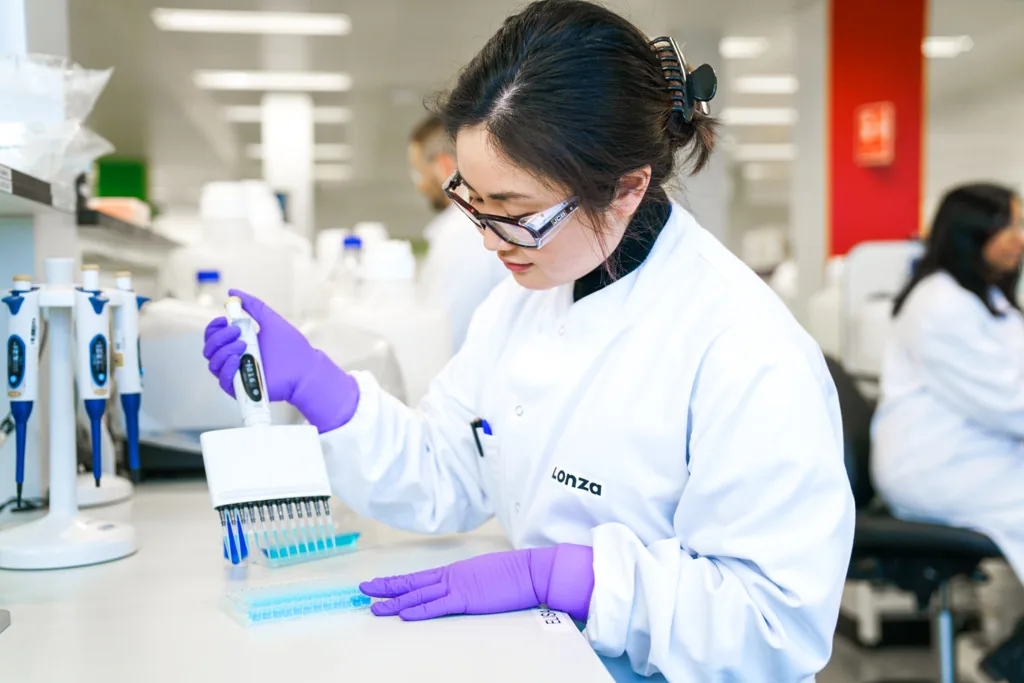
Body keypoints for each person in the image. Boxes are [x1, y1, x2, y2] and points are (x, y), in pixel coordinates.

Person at [203, 2, 854, 679]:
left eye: (514, 213)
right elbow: (445, 470)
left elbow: (774, 623)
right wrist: (318, 384)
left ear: (627, 188)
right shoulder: (524, 299)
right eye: (472, 200)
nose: (487, 238)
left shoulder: (744, 347)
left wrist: (574, 578)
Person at [871, 183, 1024, 672]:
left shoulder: (986, 298)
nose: (1019, 238)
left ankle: (1011, 653)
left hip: (980, 455)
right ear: (969, 232)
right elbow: (1010, 402)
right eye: (1007, 226)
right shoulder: (941, 305)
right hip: (940, 468)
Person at [410, 114, 508, 352]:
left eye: (419, 172)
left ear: (444, 166)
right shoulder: (459, 230)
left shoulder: (461, 234)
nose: (420, 184)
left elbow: (448, 337)